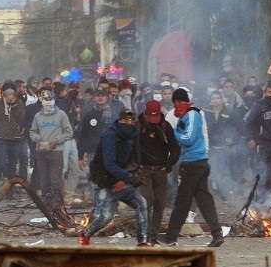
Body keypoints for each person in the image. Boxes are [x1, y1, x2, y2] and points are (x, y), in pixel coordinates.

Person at [160, 88, 226, 248]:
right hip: (197, 162)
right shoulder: (186, 116)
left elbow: (188, 138)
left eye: (179, 102)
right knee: (204, 200)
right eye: (175, 103)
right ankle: (217, 234)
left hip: (193, 163)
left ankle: (171, 237)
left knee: (182, 201)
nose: (177, 105)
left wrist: (172, 134)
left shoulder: (193, 115)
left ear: (185, 102)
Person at [80, 109, 150, 246]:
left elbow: (135, 161)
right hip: (103, 182)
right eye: (125, 121)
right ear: (119, 121)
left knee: (142, 203)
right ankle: (85, 234)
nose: (128, 124)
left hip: (121, 181)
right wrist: (128, 178)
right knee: (105, 217)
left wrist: (124, 180)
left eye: (131, 121)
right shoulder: (109, 136)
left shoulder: (134, 135)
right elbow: (109, 164)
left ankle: (142, 241)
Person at [135, 100, 181, 243]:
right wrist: (135, 166)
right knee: (147, 201)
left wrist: (169, 164)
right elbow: (129, 147)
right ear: (145, 112)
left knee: (160, 203)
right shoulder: (137, 127)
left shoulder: (165, 126)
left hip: (161, 170)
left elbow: (175, 148)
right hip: (144, 170)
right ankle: (145, 235)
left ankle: (153, 237)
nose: (154, 122)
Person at [29, 90, 73, 219]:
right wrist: (37, 138)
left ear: (54, 100)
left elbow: (69, 132)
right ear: (42, 101)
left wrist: (56, 141)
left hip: (56, 152)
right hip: (41, 152)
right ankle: (47, 208)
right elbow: (32, 132)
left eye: (50, 99)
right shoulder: (38, 116)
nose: (48, 102)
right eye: (45, 99)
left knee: (56, 181)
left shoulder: (61, 115)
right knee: (44, 182)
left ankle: (57, 207)